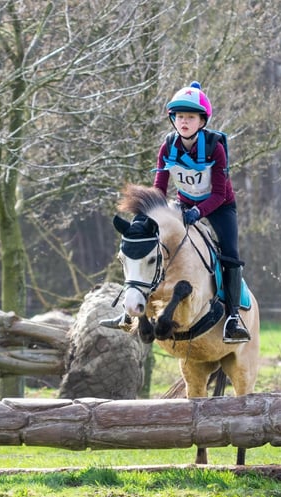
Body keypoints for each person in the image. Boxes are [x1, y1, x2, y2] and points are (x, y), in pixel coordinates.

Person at [102, 81, 250, 343]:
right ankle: (130, 313)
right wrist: (144, 219)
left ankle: (233, 318)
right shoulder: (168, 146)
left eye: (190, 117)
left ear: (202, 121)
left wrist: (198, 212)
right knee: (147, 246)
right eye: (179, 116)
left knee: (230, 254)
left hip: (218, 206)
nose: (183, 121)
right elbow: (159, 190)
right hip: (182, 203)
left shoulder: (215, 147)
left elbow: (218, 193)